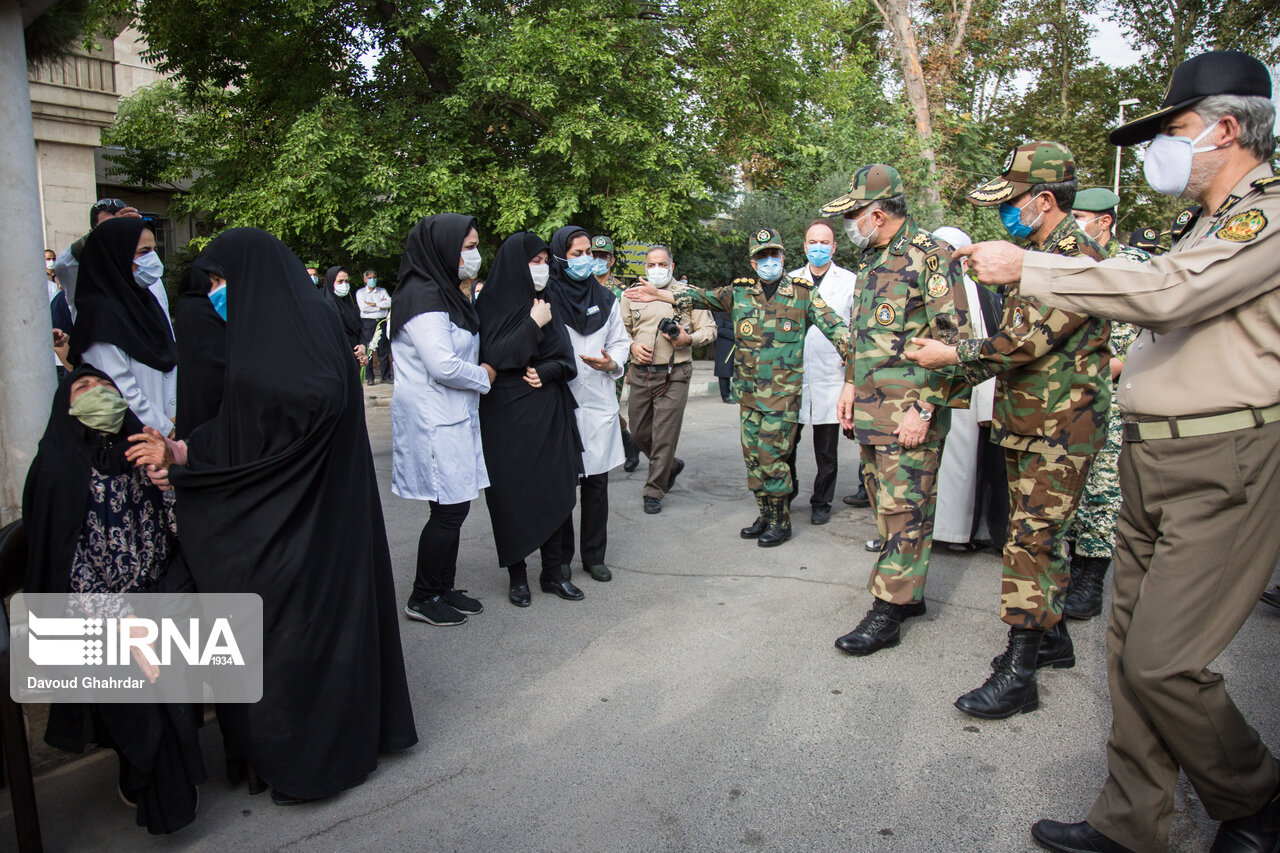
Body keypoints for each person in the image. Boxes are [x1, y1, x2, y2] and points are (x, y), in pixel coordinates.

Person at [952, 51, 1280, 853]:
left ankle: (1259, 796)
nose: (1161, 152)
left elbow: (1171, 292)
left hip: (1224, 458)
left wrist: (1031, 266)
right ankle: (1131, 822)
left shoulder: (1263, 213)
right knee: (1130, 654)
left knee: (1167, 661)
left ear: (1226, 129)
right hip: (1156, 458)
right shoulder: (1204, 221)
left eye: (1174, 131)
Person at [130, 227, 417, 805]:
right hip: (324, 517)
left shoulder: (282, 351)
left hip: (295, 523)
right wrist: (191, 452)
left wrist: (188, 465)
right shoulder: (299, 326)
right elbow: (252, 425)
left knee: (289, 640)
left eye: (221, 281)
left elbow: (266, 439)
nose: (216, 293)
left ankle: (310, 764)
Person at [908, 140, 1110, 719]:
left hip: (1059, 430)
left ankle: (1020, 674)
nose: (1005, 216)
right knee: (1038, 538)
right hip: (1030, 423)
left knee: (1029, 542)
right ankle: (1051, 640)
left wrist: (951, 355)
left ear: (1044, 200)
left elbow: (1023, 343)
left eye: (1011, 204)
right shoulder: (1040, 254)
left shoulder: (1075, 258)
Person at [22, 366, 206, 833]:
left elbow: (178, 533)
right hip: (92, 608)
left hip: (160, 588)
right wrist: (122, 623)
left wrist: (169, 482)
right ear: (66, 405)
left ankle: (176, 769)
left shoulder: (138, 450)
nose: (98, 394)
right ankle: (159, 783)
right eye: (84, 388)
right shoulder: (55, 468)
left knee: (171, 640)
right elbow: (69, 565)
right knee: (131, 666)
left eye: (107, 386)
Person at [823, 166, 971, 656]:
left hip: (909, 411)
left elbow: (953, 341)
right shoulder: (873, 257)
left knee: (905, 510)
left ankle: (886, 613)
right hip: (870, 409)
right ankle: (908, 593)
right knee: (886, 507)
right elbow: (864, 334)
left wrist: (925, 409)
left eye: (853, 216)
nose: (850, 226)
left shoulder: (931, 257)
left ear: (878, 213)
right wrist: (848, 386)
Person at [626, 227, 849, 546]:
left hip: (782, 399)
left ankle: (781, 521)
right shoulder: (740, 293)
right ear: (753, 263)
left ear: (783, 257)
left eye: (774, 254)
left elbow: (837, 329)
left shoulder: (803, 294)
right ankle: (765, 515)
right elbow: (701, 295)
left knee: (772, 458)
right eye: (762, 256)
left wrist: (856, 362)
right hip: (749, 396)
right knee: (754, 459)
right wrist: (659, 294)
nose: (769, 260)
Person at [390, 214, 494, 626]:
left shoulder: (446, 292)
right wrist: (484, 377)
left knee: (456, 505)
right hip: (433, 419)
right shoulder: (421, 295)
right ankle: (422, 596)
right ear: (443, 249)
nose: (474, 254)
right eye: (466, 247)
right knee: (447, 510)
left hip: (454, 415)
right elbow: (443, 365)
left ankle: (443, 586)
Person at [477, 231, 586, 606]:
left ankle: (554, 572)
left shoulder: (547, 299)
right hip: (505, 415)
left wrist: (550, 371)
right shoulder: (491, 303)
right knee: (512, 494)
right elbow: (497, 355)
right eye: (533, 262)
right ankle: (517, 575)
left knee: (556, 487)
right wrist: (533, 323)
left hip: (549, 411)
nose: (541, 269)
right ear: (514, 264)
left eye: (544, 262)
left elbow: (566, 360)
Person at [1064, 187, 1141, 620]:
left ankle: (1090, 583)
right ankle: (1074, 572)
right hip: (1074, 396)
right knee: (1073, 488)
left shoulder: (1125, 268)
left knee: (1100, 491)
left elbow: (1125, 351)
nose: (1074, 223)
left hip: (1107, 399)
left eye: (1079, 216)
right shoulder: (1078, 263)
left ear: (1104, 222)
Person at [551, 226, 631, 581]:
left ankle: (594, 556)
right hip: (558, 401)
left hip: (598, 400)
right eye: (576, 254)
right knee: (562, 487)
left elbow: (620, 342)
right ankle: (560, 559)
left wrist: (612, 364)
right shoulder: (545, 297)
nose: (586, 260)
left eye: (590, 254)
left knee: (597, 484)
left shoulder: (607, 298)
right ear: (559, 257)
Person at [620, 244, 715, 514]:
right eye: (651, 264)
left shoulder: (688, 295)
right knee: (639, 433)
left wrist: (689, 339)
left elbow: (709, 330)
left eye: (662, 264)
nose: (657, 269)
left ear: (672, 267)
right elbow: (619, 330)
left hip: (676, 374)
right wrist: (631, 346)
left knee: (663, 435)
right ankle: (670, 466)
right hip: (641, 372)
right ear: (645, 267)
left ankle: (654, 490)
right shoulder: (632, 295)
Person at [68, 217, 177, 435]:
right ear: (115, 255)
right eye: (143, 252)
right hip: (137, 439)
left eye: (154, 250)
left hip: (171, 431)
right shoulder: (99, 316)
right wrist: (166, 430)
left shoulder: (145, 303)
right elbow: (118, 388)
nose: (153, 259)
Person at [930, 227, 1000, 552]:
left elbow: (988, 351)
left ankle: (955, 532)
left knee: (959, 467)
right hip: (927, 392)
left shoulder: (979, 293)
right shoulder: (927, 289)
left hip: (965, 394)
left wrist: (987, 406)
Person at [792, 218, 857, 526]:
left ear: (834, 247)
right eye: (813, 242)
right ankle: (787, 491)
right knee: (787, 443)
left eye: (824, 242)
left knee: (827, 450)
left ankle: (822, 500)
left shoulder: (850, 281)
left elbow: (855, 327)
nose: (818, 247)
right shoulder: (789, 280)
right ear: (805, 246)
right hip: (793, 376)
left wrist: (851, 358)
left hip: (832, 375)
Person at [591, 234, 641, 471]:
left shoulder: (623, 292)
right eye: (594, 255)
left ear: (611, 260)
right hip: (585, 357)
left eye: (603, 256)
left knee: (608, 407)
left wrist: (629, 364)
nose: (598, 260)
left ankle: (627, 444)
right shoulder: (581, 286)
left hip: (613, 359)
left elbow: (629, 330)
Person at [54, 197, 145, 319]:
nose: (116, 233)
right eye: (107, 228)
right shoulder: (80, 270)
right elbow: (63, 265)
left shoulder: (143, 266)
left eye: (121, 227)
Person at [323, 266, 368, 368]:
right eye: (340, 281)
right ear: (331, 283)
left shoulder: (349, 305)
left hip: (354, 358)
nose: (344, 285)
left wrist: (362, 346)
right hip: (336, 362)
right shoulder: (326, 306)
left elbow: (360, 328)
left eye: (347, 281)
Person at [358, 269, 392, 384]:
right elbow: (364, 308)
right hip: (367, 323)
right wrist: (381, 306)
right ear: (365, 279)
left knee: (383, 350)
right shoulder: (360, 293)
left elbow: (390, 303)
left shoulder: (382, 291)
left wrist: (374, 304)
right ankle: (370, 378)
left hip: (381, 321)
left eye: (374, 277)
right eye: (370, 278)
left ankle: (386, 376)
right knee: (368, 350)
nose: (372, 280)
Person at [713, 310, 735, 402]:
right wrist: (734, 335)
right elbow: (718, 329)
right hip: (724, 346)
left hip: (735, 346)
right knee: (724, 372)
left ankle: (734, 394)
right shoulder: (721, 313)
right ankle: (725, 396)